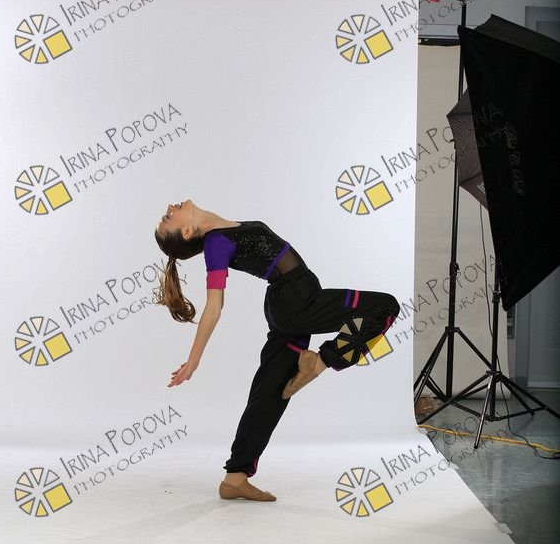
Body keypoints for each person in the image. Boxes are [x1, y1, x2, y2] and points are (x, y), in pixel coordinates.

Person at [155, 200, 400, 502]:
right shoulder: (216, 244)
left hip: (288, 303)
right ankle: (320, 362)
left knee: (269, 392)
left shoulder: (222, 229)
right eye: (168, 217)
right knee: (384, 307)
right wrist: (193, 361)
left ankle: (235, 477)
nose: (170, 207)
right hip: (297, 301)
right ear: (187, 231)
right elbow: (214, 307)